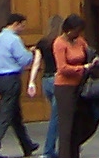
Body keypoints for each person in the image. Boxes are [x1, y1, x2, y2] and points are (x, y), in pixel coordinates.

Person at [0, 12, 39, 158]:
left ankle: (27, 145)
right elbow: (24, 60)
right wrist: (31, 53)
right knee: (5, 116)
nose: (23, 29)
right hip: (11, 78)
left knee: (15, 114)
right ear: (16, 24)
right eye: (22, 25)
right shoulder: (14, 40)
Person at [51, 16, 95, 158]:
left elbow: (89, 52)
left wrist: (94, 60)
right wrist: (82, 68)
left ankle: (75, 154)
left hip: (80, 86)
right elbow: (62, 68)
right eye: (76, 31)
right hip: (65, 87)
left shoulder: (80, 41)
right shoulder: (59, 43)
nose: (78, 34)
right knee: (66, 126)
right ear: (68, 30)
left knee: (79, 124)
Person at [24, 15, 63, 158]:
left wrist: (31, 81)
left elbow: (36, 63)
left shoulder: (43, 43)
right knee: (56, 117)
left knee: (58, 115)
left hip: (46, 80)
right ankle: (49, 151)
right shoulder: (61, 42)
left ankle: (65, 146)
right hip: (58, 80)